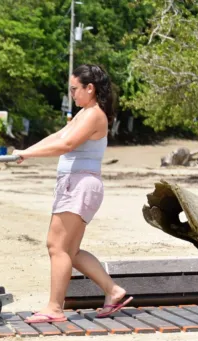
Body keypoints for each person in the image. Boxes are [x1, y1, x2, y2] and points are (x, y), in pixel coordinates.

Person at [12, 64, 132, 323]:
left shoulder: (93, 115)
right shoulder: (84, 113)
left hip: (79, 184)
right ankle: (113, 290)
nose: (71, 94)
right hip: (76, 184)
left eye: (74, 89)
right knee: (71, 251)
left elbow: (66, 144)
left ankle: (55, 308)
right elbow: (58, 136)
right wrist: (26, 152)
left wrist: (27, 154)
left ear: (90, 88)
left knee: (57, 246)